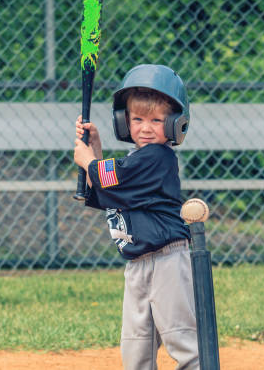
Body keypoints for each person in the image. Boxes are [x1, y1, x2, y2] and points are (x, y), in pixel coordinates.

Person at [73, 64, 199, 370]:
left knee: (183, 340)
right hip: (137, 265)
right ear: (123, 121)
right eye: (137, 119)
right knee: (135, 348)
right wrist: (96, 153)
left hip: (168, 261)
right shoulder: (136, 160)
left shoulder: (159, 157)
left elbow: (111, 177)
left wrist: (89, 161)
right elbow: (108, 187)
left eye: (156, 120)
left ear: (174, 125)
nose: (145, 127)